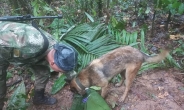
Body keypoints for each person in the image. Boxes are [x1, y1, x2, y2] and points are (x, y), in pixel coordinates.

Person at [0, 21, 78, 110]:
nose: (62, 72)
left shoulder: (58, 49)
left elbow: (67, 68)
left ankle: (38, 98)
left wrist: (77, 82)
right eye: (60, 70)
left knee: (43, 73)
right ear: (52, 63)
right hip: (3, 50)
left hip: (30, 56)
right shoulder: (29, 43)